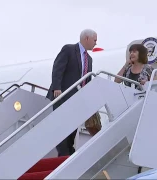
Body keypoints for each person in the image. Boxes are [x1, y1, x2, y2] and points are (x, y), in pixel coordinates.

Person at [46, 29, 100, 157]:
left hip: (77, 100)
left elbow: (87, 80)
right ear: (86, 38)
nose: (96, 43)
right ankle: (64, 155)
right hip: (63, 96)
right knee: (62, 127)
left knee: (72, 128)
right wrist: (56, 88)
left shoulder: (89, 59)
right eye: (94, 40)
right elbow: (57, 69)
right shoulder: (69, 50)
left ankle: (69, 152)